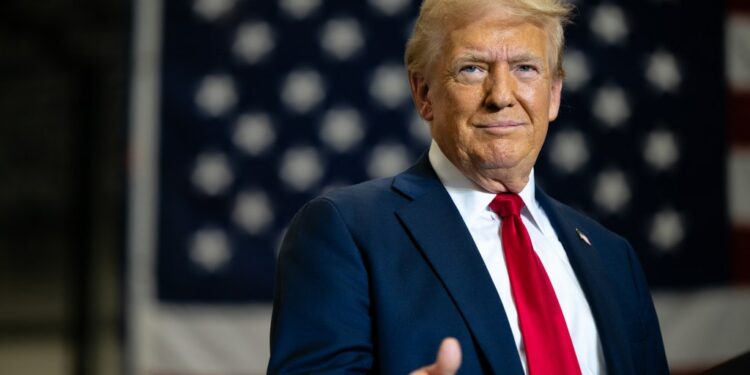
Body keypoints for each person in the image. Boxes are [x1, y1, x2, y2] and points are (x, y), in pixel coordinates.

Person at [268, 0, 669, 373]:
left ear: (553, 93)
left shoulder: (614, 258)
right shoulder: (345, 232)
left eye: (525, 68)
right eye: (472, 68)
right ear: (424, 93)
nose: (501, 96)